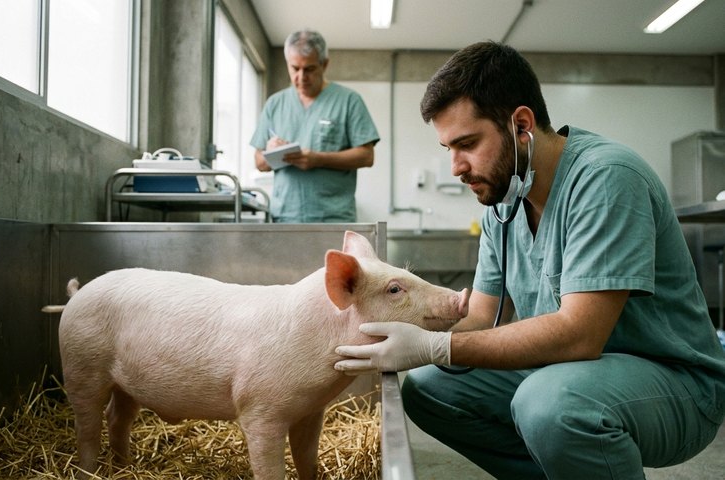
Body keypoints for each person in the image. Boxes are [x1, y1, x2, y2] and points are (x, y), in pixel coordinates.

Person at [334, 41, 725, 479]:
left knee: (548, 404)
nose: (456, 167)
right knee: (430, 387)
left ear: (521, 124)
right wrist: (404, 328)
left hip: (675, 385)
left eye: (467, 144)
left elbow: (580, 336)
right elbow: (481, 317)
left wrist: (435, 345)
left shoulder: (607, 179)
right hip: (573, 374)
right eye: (448, 149)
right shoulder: (504, 205)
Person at [250, 29, 379, 223]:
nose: (301, 77)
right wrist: (271, 152)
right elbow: (259, 162)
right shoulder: (275, 104)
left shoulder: (349, 101)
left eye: (309, 69)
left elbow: (366, 156)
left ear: (324, 64)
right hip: (285, 218)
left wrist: (318, 159)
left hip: (334, 219)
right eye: (295, 68)